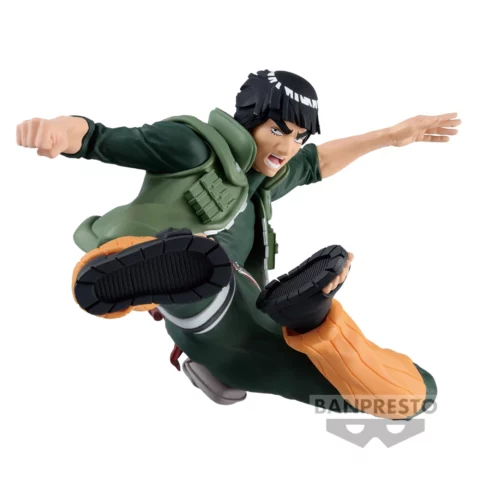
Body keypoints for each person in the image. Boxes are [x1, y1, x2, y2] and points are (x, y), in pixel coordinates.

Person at [16, 70, 461, 419]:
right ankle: (142, 266)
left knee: (395, 394)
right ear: (249, 121)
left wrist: (391, 136)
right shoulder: (192, 147)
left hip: (247, 330)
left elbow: (317, 163)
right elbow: (101, 138)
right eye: (278, 130)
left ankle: (311, 320)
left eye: (299, 137)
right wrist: (57, 130)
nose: (288, 146)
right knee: (204, 273)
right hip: (201, 299)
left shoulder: (263, 184)